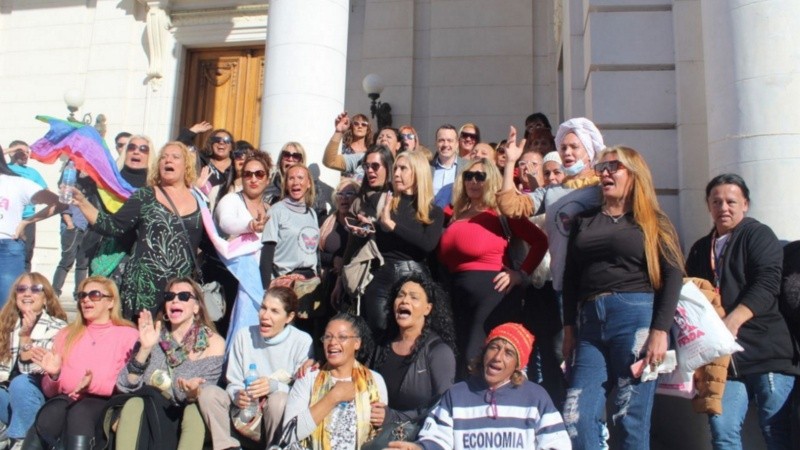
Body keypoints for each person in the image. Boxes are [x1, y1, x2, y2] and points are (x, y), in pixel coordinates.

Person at [561, 146, 684, 449]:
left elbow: (673, 275)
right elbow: (570, 278)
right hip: (590, 322)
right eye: (601, 167)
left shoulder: (653, 220)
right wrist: (568, 329)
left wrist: (659, 332)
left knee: (628, 416)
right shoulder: (584, 220)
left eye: (613, 166)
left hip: (636, 318)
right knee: (576, 415)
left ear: (634, 173)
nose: (604, 173)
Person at [685, 174, 799, 450]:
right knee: (722, 431)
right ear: (708, 206)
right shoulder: (701, 248)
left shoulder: (758, 234)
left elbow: (768, 282)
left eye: (731, 201)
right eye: (716, 201)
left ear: (745, 204)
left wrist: (732, 322)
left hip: (767, 353)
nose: (724, 207)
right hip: (725, 362)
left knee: (775, 428)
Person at [437, 158, 547, 373]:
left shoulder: (500, 213)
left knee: (476, 358)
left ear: (491, 180)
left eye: (480, 176)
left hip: (493, 296)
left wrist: (520, 274)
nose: (473, 181)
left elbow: (540, 241)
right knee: (456, 359)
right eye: (468, 176)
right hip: (456, 296)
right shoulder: (452, 213)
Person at [387, 323, 570, 450]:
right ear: (484, 352)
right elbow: (436, 440)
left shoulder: (535, 397)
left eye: (508, 353)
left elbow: (556, 443)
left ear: (517, 364)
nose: (497, 357)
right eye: (494, 347)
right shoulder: (456, 395)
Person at [73, 141, 203, 319]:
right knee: (140, 341)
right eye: (163, 157)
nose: (168, 161)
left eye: (175, 157)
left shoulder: (199, 200)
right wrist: (82, 203)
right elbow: (113, 225)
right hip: (143, 288)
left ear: (186, 165)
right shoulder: (145, 195)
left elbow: (208, 243)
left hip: (179, 291)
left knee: (173, 342)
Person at [113, 277, 226, 450]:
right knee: (134, 404)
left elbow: (205, 394)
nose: (175, 300)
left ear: (196, 307)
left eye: (183, 296)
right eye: (169, 296)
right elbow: (125, 386)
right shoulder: (153, 336)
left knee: (194, 412)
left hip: (190, 413)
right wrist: (144, 349)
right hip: (156, 411)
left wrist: (194, 392)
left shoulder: (214, 343)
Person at [29, 276, 138, 450]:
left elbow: (129, 382)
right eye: (82, 295)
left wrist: (92, 385)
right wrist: (54, 375)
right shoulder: (67, 334)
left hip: (105, 401)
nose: (86, 299)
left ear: (110, 302)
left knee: (81, 412)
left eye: (94, 295)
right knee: (50, 412)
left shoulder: (127, 335)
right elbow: (50, 391)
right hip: (67, 398)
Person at [203, 286, 313, 448]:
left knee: (279, 400)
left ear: (289, 317)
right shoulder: (244, 335)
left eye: (274, 311)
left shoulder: (302, 341)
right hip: (243, 415)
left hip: (276, 418)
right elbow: (233, 381)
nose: (265, 316)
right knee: (209, 393)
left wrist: (273, 386)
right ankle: (228, 446)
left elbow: (302, 392)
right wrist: (237, 395)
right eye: (263, 308)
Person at [357, 151, 444, 341]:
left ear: (418, 173)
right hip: (380, 274)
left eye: (403, 168)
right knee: (377, 332)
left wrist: (392, 225)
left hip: (413, 276)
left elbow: (427, 244)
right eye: (395, 168)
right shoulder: (381, 201)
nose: (396, 173)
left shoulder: (433, 212)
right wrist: (364, 229)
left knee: (410, 335)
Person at [283, 313, 388, 449]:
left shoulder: (375, 381)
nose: (332, 342)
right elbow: (289, 434)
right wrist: (332, 398)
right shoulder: (309, 377)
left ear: (357, 343)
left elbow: (379, 435)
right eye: (328, 337)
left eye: (342, 337)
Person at [371, 275, 456, 431]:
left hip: (418, 437)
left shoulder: (439, 352)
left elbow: (443, 405)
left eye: (414, 297)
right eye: (400, 295)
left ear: (427, 309)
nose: (405, 301)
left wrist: (392, 417)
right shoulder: (380, 345)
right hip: (377, 436)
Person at [0, 273, 67, 448]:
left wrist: (25, 338)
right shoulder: (4, 325)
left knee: (21, 384)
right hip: (6, 396)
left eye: (35, 289)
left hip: (38, 396)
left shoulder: (58, 328)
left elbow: (31, 371)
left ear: (46, 299)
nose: (27, 294)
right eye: (21, 289)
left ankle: (20, 441)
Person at [0, 148, 62, 304]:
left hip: (6, 247)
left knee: (7, 307)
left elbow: (60, 203)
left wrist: (26, 222)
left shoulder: (17, 183)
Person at [260, 163, 320, 288]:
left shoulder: (312, 213)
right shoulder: (276, 211)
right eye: (291, 178)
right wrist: (265, 288)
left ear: (308, 183)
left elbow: (315, 253)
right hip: (286, 281)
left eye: (300, 178)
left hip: (310, 281)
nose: (295, 182)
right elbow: (267, 252)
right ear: (286, 184)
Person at [6, 141, 48, 273]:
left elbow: (46, 193)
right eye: (21, 152)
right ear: (12, 152)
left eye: (27, 152)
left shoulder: (33, 173)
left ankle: (23, 284)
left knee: (27, 253)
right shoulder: (4, 169)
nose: (26, 155)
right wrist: (11, 149)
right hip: (8, 217)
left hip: (28, 218)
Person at [323, 112, 374, 181]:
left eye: (364, 124)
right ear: (351, 126)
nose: (360, 126)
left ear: (367, 129)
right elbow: (330, 161)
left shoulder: (372, 151)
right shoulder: (342, 147)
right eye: (356, 123)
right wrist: (338, 132)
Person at [431, 125, 468, 209]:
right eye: (441, 140)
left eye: (450, 140)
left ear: (457, 143)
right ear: (436, 143)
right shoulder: (426, 168)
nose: (445, 144)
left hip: (456, 217)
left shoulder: (467, 167)